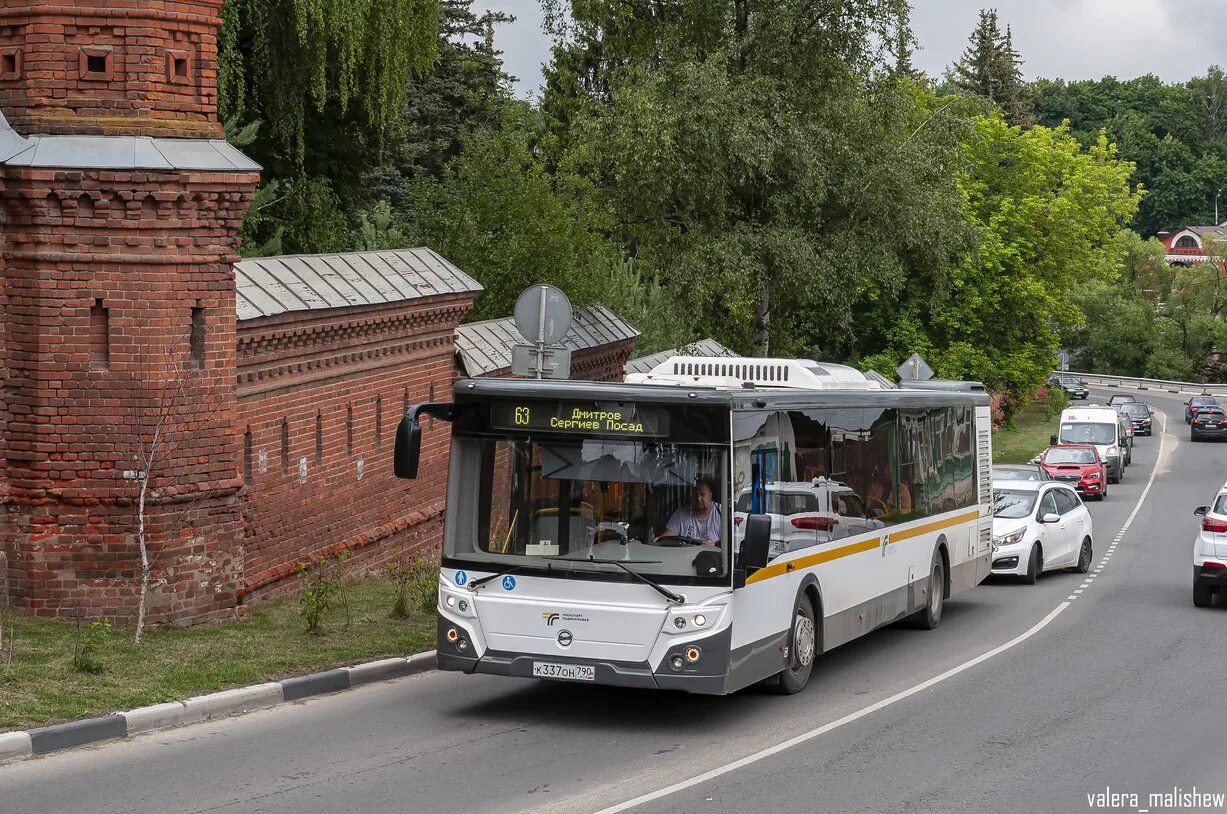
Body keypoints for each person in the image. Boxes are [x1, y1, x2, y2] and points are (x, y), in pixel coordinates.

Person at [657, 480, 722, 546]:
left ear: (710, 495)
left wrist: (714, 544)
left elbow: (729, 544)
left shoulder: (722, 512)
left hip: (713, 555)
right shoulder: (681, 513)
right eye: (695, 495)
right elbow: (668, 536)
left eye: (702, 495)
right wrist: (658, 540)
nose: (698, 499)